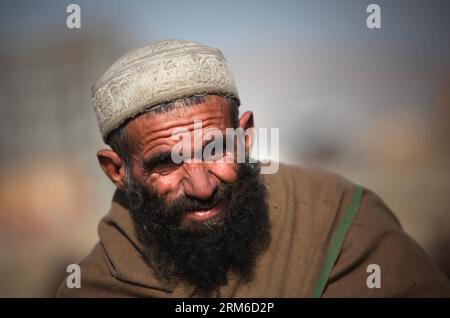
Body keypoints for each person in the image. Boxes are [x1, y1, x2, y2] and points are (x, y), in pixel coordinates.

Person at [57, 40, 450, 297]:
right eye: (165, 162)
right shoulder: (96, 286)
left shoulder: (338, 219)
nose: (201, 186)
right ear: (117, 170)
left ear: (244, 137)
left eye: (215, 149)